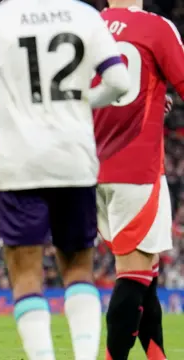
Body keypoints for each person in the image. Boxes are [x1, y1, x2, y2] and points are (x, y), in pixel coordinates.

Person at [0, 0, 131, 359]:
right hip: (74, 157)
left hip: (18, 162)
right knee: (78, 270)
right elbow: (119, 81)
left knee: (26, 275)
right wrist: (86, 103)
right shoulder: (85, 14)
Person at [92, 1, 184, 359]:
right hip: (136, 166)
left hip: (91, 169)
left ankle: (157, 356)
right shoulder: (156, 27)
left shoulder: (86, 26)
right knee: (133, 274)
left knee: (146, 270)